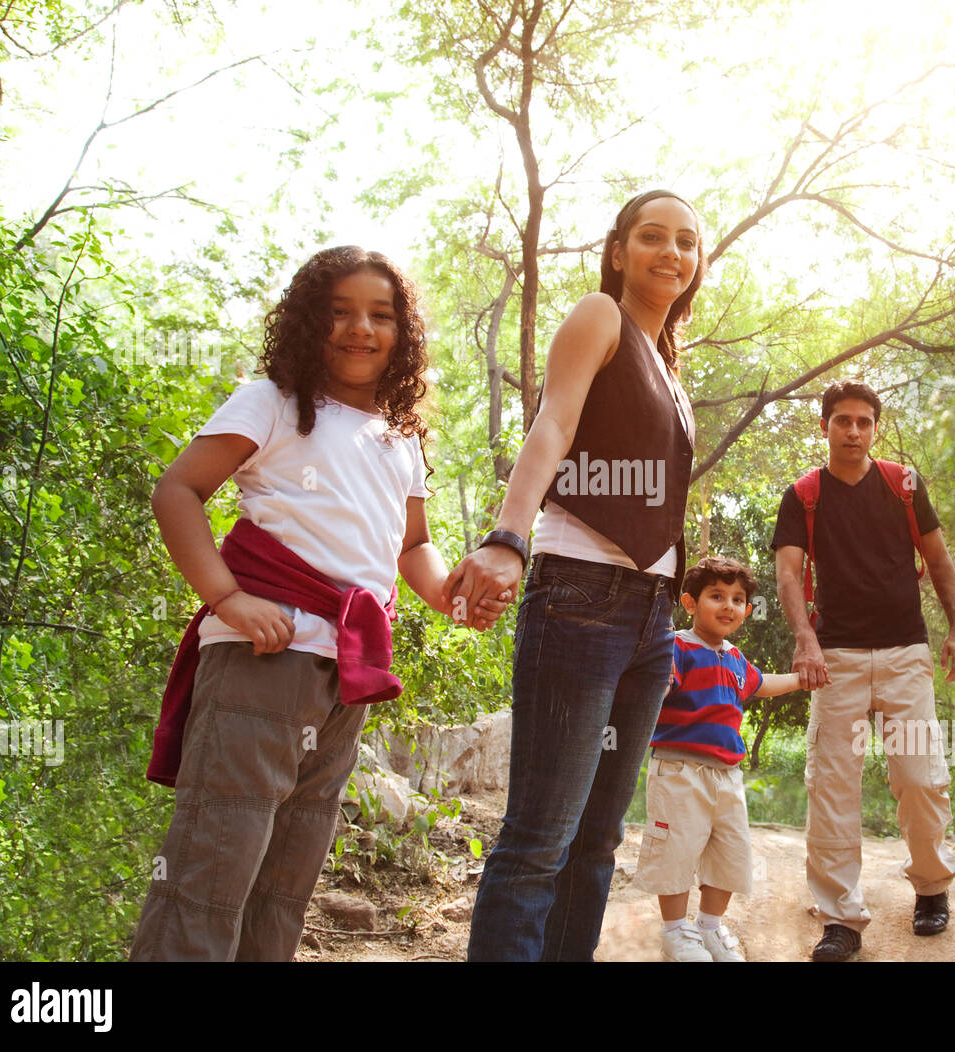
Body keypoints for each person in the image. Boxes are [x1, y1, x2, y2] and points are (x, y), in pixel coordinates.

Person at [130, 246, 504, 961]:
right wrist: (228, 599)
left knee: (287, 880)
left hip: (345, 677)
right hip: (262, 660)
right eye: (339, 312)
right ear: (308, 322)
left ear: (404, 333)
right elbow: (177, 491)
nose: (360, 328)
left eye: (380, 314)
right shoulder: (272, 401)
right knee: (215, 867)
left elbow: (409, 549)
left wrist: (454, 599)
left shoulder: (400, 436)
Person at [448, 190, 704, 961]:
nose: (672, 252)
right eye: (652, 236)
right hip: (581, 595)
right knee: (539, 838)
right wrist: (506, 538)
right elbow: (553, 424)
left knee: (597, 839)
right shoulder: (601, 316)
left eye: (687, 241)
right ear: (619, 250)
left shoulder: (668, 364)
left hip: (651, 617)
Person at [771, 378, 955, 963]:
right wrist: (804, 640)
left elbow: (937, 558)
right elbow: (788, 574)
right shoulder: (803, 495)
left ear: (875, 427)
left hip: (906, 653)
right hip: (835, 660)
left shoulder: (903, 485)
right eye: (842, 421)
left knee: (919, 777)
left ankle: (931, 888)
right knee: (832, 787)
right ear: (826, 426)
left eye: (863, 421)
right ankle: (841, 920)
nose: (853, 431)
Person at [633, 556, 802, 962]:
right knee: (675, 849)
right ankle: (675, 932)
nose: (729, 606)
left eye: (738, 599)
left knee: (730, 853)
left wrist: (801, 679)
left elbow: (763, 684)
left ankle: (709, 928)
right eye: (717, 596)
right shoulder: (676, 646)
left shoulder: (736, 659)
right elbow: (657, 685)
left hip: (728, 775)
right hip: (679, 770)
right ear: (690, 604)